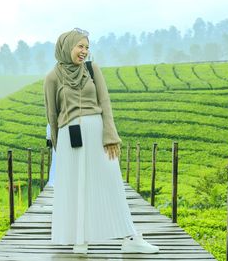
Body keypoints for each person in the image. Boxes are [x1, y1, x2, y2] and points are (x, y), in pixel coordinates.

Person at [43, 28, 159, 254]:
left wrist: (110, 135)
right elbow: (52, 115)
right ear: (67, 47)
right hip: (70, 137)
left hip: (97, 132)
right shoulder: (52, 77)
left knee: (111, 182)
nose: (84, 51)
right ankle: (80, 240)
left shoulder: (91, 69)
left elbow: (105, 103)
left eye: (87, 47)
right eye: (80, 46)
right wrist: (60, 149)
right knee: (75, 187)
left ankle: (130, 238)